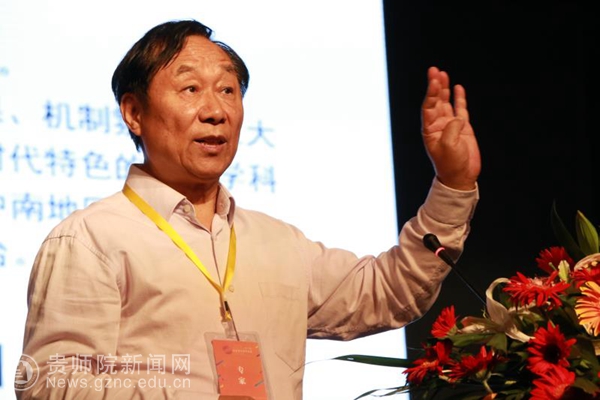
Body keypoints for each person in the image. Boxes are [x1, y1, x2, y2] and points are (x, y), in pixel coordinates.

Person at [16, 19, 480, 400]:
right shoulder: (90, 239)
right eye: (190, 88)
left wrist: (453, 184)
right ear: (134, 113)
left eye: (228, 90)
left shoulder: (278, 242)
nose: (215, 111)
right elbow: (48, 385)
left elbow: (390, 291)